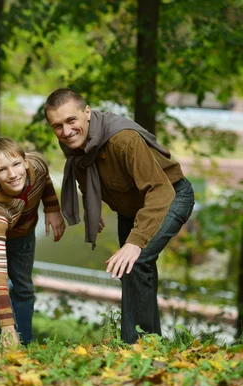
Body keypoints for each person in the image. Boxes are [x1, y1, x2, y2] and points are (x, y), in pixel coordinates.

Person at [44, 88, 195, 344]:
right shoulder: (73, 141)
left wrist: (135, 243)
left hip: (169, 196)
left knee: (136, 260)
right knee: (131, 270)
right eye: (57, 126)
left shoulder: (123, 140)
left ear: (87, 113)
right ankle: (138, 344)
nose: (66, 131)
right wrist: (92, 204)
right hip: (132, 208)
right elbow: (83, 169)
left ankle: (143, 346)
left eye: (71, 121)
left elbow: (159, 191)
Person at [0, 137, 66, 348]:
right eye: (2, 170)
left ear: (25, 162)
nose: (12, 174)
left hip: (23, 231)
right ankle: (1, 340)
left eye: (16, 165)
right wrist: (7, 327)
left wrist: (52, 208)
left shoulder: (37, 164)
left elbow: (44, 178)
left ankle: (25, 343)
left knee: (23, 288)